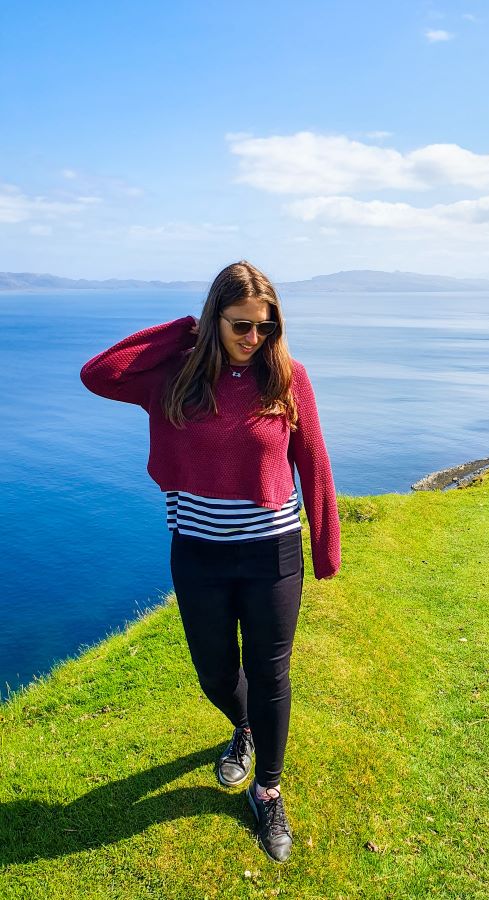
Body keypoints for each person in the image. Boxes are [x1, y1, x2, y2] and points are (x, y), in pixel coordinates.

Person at [79, 260, 341, 863]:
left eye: (266, 327)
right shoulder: (175, 377)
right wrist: (181, 333)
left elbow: (314, 459)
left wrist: (325, 546)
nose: (254, 337)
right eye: (241, 325)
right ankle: (243, 727)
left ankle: (267, 789)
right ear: (213, 319)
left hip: (272, 552)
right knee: (216, 673)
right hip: (198, 552)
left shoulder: (287, 378)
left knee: (271, 672)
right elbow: (100, 373)